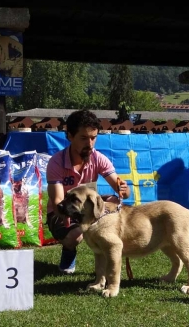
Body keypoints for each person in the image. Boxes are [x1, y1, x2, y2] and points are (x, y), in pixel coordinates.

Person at [46, 109, 131, 273]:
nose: (90, 144)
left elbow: (123, 193)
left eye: (93, 138)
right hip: (64, 210)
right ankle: (69, 252)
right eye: (84, 138)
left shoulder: (98, 158)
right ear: (70, 136)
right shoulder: (56, 162)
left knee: (113, 201)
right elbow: (58, 201)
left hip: (89, 209)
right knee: (74, 236)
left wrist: (124, 189)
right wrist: (74, 221)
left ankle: (109, 253)